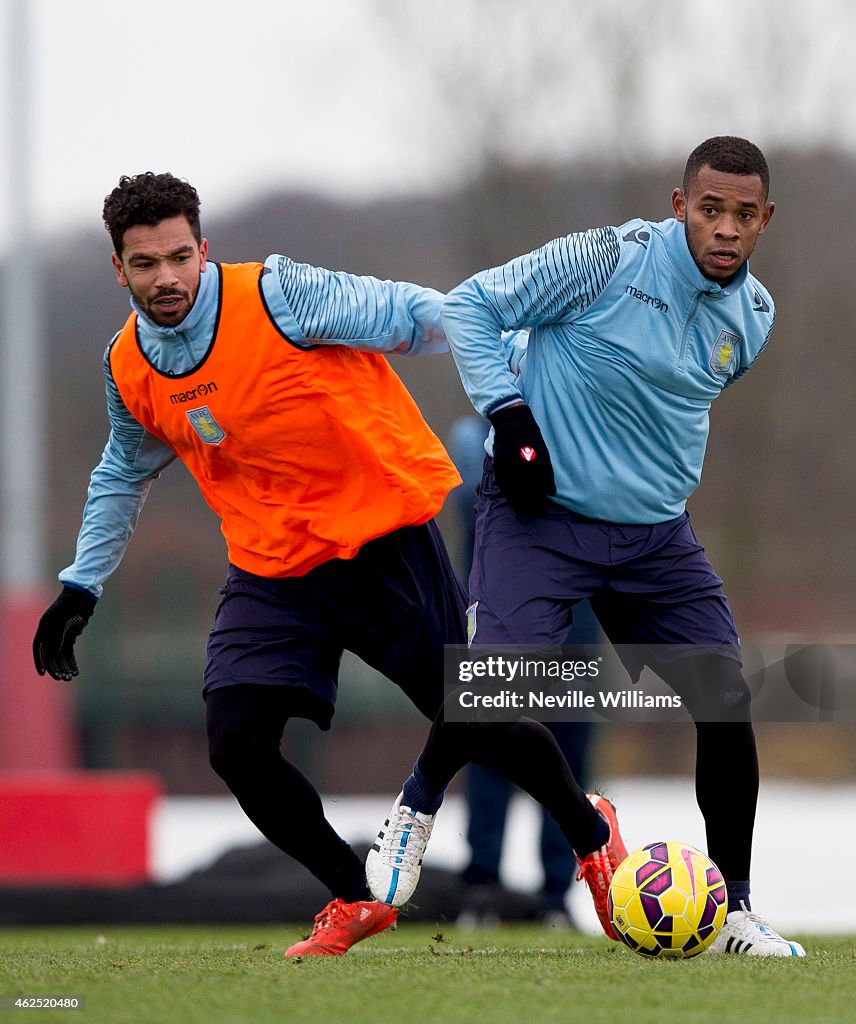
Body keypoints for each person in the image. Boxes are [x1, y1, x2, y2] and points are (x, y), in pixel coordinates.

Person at [32, 172, 626, 957]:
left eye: (180, 257)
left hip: (382, 537)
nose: (167, 278)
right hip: (272, 569)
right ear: (119, 269)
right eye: (146, 264)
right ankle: (354, 895)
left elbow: (421, 316)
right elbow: (120, 470)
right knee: (235, 745)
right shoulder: (127, 366)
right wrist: (81, 584)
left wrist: (519, 379)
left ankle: (590, 832)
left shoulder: (282, 296)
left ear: (204, 251)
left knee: (475, 716)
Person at [368, 137, 805, 957]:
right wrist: (511, 414)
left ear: (764, 221)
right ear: (680, 207)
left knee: (727, 699)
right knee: (496, 681)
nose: (725, 229)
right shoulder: (605, 260)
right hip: (541, 517)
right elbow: (469, 306)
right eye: (709, 210)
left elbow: (672, 405)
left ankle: (738, 911)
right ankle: (415, 812)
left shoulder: (756, 318)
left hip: (655, 538)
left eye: (743, 216)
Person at [446, 415, 598, 930]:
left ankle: (557, 896)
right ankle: (482, 889)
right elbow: (475, 498)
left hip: (574, 632)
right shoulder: (474, 438)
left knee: (569, 766)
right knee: (491, 758)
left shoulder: (587, 432)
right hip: (504, 626)